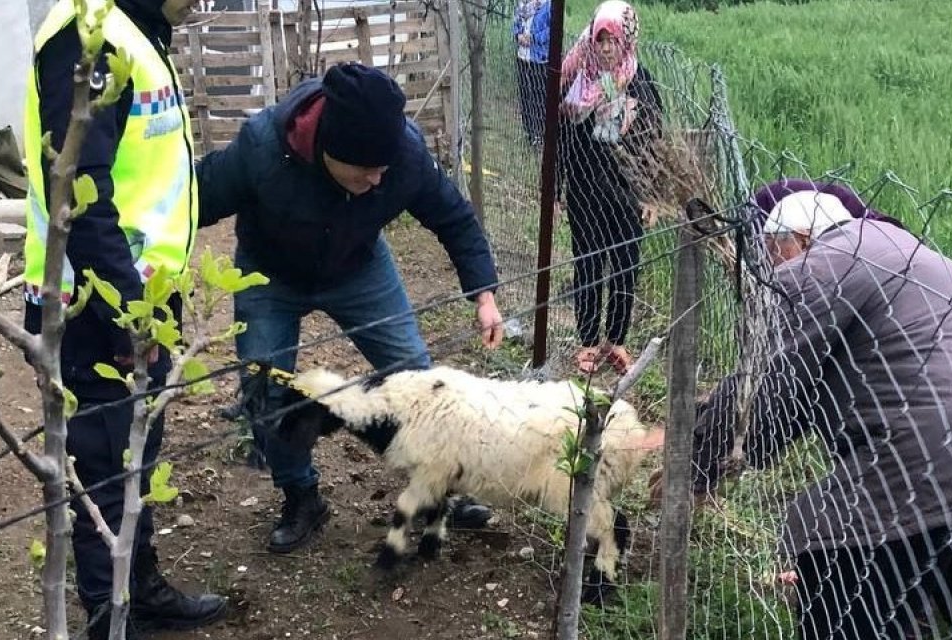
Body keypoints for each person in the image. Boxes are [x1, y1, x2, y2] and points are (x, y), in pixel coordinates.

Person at [667, 181, 952, 640]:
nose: (766, 270)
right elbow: (796, 396)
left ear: (798, 240)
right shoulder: (905, 247)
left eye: (769, 253)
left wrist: (696, 461)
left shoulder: (816, 267)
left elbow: (762, 385)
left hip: (944, 442)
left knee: (825, 535)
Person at [196, 62, 505, 554]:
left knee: (417, 379)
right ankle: (301, 496)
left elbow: (453, 216)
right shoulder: (262, 148)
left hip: (358, 269)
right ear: (328, 149)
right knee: (264, 384)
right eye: (365, 171)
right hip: (269, 273)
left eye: (384, 169)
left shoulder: (400, 155)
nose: (379, 180)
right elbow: (194, 199)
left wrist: (484, 294)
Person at [22, 1, 228, 638]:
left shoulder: (136, 30)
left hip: (139, 296)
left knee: (136, 448)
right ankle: (111, 620)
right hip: (94, 303)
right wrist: (123, 312)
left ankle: (141, 590)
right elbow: (79, 193)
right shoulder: (88, 40)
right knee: (104, 467)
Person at [556, 0, 664, 375]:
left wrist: (652, 194)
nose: (605, 48)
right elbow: (562, 140)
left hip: (628, 191)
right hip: (585, 186)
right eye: (599, 40)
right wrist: (557, 188)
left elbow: (654, 139)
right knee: (588, 262)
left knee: (625, 265)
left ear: (627, 41)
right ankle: (586, 342)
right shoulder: (576, 80)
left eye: (612, 40)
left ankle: (616, 341)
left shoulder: (641, 81)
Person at [513, 0, 552, 146]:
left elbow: (552, 29)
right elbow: (515, 22)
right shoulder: (522, 3)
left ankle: (540, 134)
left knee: (539, 97)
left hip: (540, 58)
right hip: (522, 56)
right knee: (525, 96)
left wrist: (534, 38)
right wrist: (518, 36)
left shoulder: (548, 5)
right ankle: (529, 132)